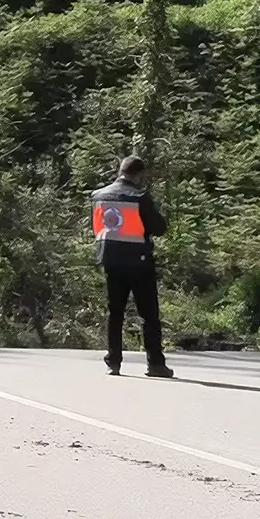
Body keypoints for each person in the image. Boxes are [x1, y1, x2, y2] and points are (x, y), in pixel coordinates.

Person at [91, 157, 172, 378]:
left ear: (121, 171)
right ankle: (155, 364)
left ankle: (113, 362)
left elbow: (98, 227)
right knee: (149, 315)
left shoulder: (99, 196)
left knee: (115, 313)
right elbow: (159, 227)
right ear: (139, 174)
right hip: (139, 262)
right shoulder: (139, 197)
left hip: (111, 260)